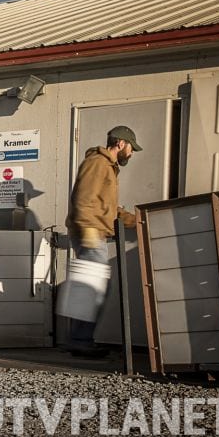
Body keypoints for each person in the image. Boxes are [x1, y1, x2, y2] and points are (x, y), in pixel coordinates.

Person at [64, 125, 141, 357]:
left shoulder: (107, 167)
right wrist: (88, 231)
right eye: (131, 148)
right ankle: (79, 340)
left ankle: (79, 339)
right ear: (121, 143)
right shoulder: (98, 163)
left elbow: (106, 208)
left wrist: (137, 220)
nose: (132, 153)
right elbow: (84, 199)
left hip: (94, 230)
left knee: (92, 286)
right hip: (90, 232)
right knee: (93, 287)